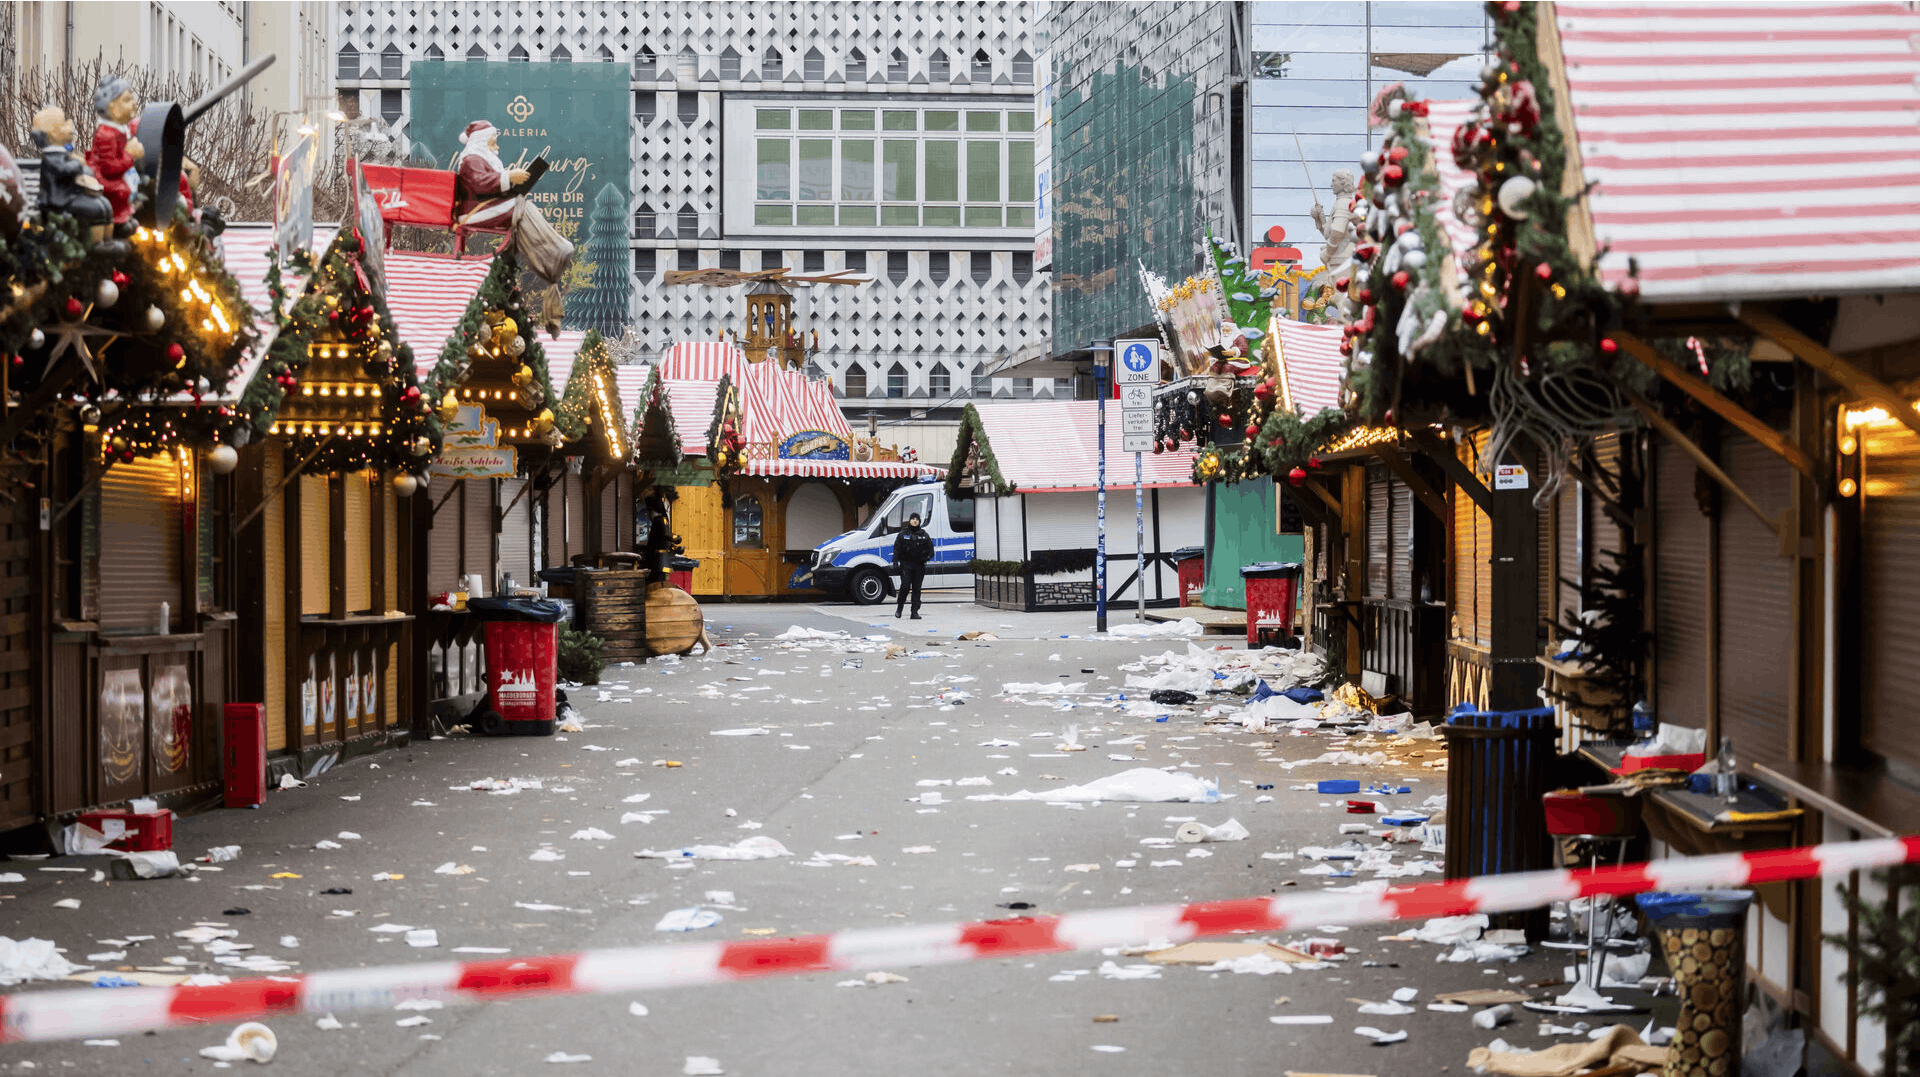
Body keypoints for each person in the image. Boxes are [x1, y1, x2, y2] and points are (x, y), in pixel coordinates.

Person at [893, 512, 934, 620]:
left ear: (919, 521)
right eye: (913, 519)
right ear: (910, 520)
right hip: (906, 565)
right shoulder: (903, 534)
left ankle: (914, 612)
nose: (915, 521)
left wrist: (925, 558)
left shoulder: (924, 535)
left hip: (919, 566)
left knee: (917, 589)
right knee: (905, 586)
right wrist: (895, 562)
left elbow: (931, 550)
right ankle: (899, 609)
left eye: (917, 519)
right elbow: (897, 549)